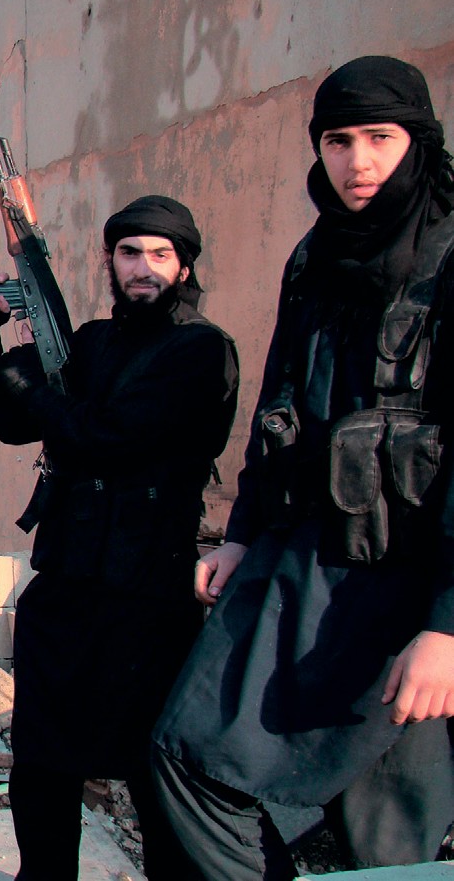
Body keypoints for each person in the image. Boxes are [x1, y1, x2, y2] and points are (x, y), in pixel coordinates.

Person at [152, 55, 454, 879]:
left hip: (410, 581)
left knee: (385, 835)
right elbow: (278, 409)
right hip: (303, 563)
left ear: (418, 141)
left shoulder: (447, 257)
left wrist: (446, 627)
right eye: (338, 141)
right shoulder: (314, 256)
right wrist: (242, 533)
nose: (358, 161)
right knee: (188, 753)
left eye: (380, 138)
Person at [0, 196, 239, 879]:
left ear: (184, 266)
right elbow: (13, 421)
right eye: (129, 252)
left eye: (160, 255)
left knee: (152, 777)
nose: (142, 268)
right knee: (41, 766)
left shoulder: (201, 350)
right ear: (111, 261)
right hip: (66, 589)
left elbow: (109, 436)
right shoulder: (91, 342)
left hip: (148, 598)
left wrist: (37, 391)